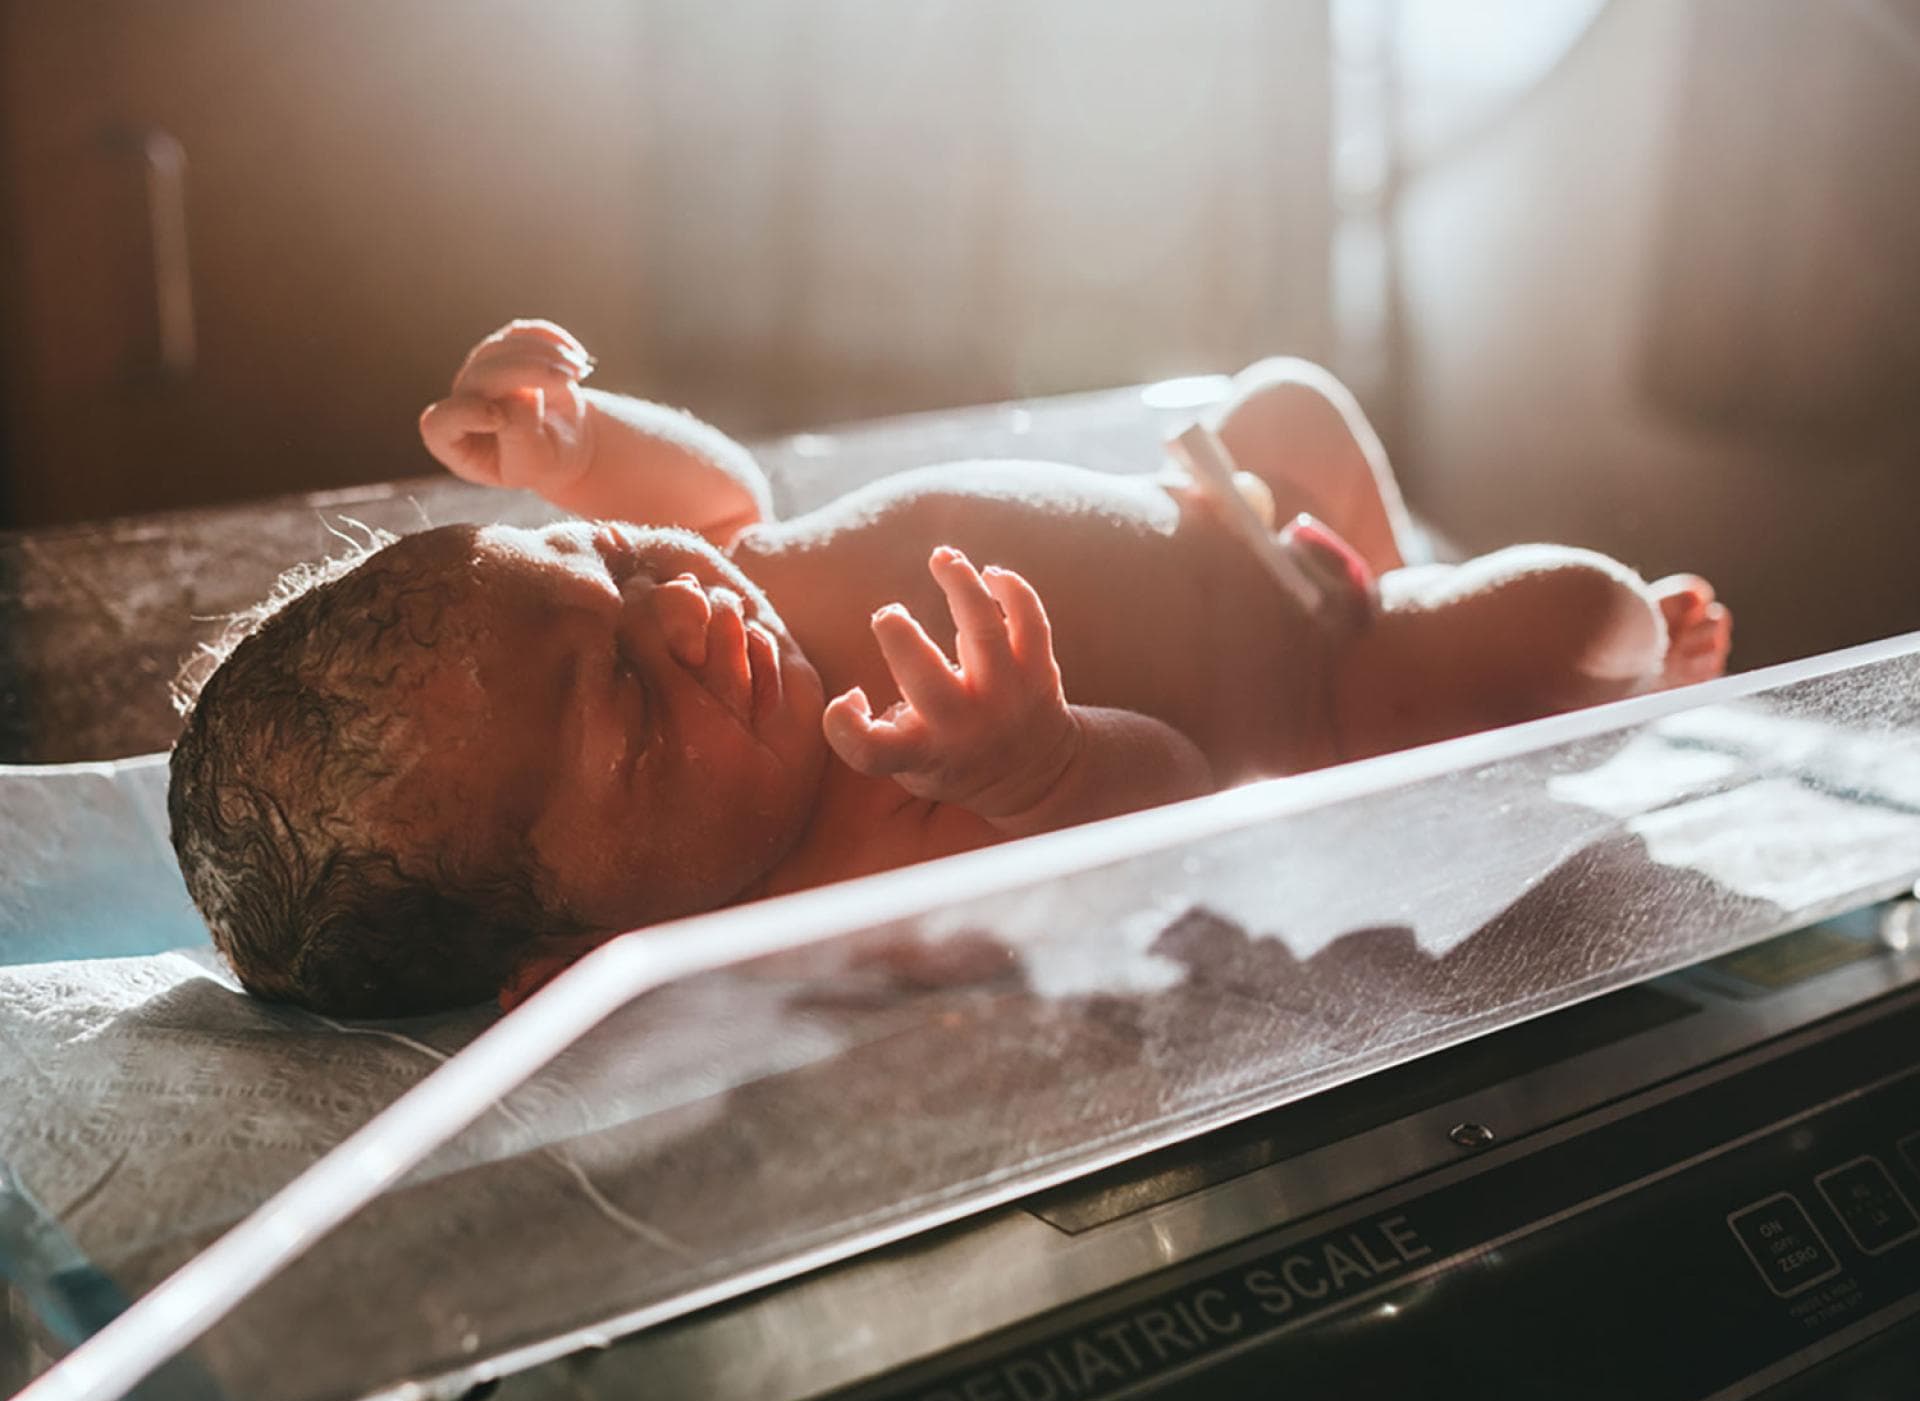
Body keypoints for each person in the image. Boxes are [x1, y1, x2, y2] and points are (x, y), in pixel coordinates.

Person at [167, 321, 1730, 1018]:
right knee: (1572, 612)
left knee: (1283, 393)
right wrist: (1039, 764)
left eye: (608, 568)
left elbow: (726, 500)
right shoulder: (843, 883)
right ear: (584, 956)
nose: (683, 606)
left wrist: (587, 453)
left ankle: (1379, 547)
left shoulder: (722, 594)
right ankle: (1594, 669)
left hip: (1223, 508)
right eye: (633, 704)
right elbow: (1172, 826)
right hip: (1322, 685)